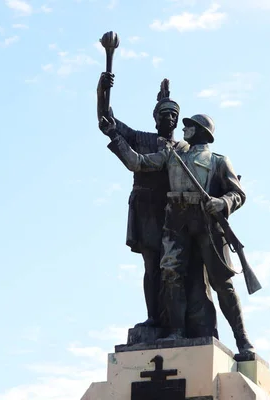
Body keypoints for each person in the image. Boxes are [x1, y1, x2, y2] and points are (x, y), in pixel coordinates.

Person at [100, 113, 255, 355]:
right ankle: (176, 331)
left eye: (189, 126)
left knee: (222, 283)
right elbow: (138, 162)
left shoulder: (218, 160)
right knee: (171, 275)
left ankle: (243, 341)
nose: (184, 129)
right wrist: (114, 135)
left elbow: (238, 193)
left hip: (206, 221)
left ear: (202, 131)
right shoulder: (173, 155)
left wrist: (222, 202)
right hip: (176, 222)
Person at [97, 73, 217, 338]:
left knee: (176, 270)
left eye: (174, 116)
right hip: (146, 209)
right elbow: (107, 121)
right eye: (164, 115)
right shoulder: (141, 138)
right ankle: (154, 319)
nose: (170, 120)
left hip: (175, 213)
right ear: (155, 118)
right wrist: (101, 91)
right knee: (152, 267)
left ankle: (179, 323)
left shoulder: (184, 146)